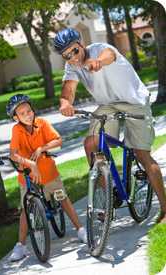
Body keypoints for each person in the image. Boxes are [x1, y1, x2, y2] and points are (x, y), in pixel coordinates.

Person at [54, 28, 166, 223]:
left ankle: (165, 209)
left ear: (81, 44)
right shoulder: (72, 66)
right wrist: (65, 103)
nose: (72, 57)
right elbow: (68, 89)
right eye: (66, 55)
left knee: (142, 153)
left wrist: (98, 62)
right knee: (91, 144)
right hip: (108, 105)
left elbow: (110, 55)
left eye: (74, 51)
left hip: (135, 102)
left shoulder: (100, 49)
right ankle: (105, 198)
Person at [6, 94, 87, 262]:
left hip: (49, 173)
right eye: (22, 113)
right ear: (16, 117)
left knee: (62, 198)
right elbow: (13, 154)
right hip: (27, 176)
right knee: (25, 209)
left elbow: (58, 140)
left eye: (29, 111)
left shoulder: (42, 123)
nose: (28, 115)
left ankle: (80, 229)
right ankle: (20, 245)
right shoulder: (17, 130)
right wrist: (29, 163)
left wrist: (42, 148)